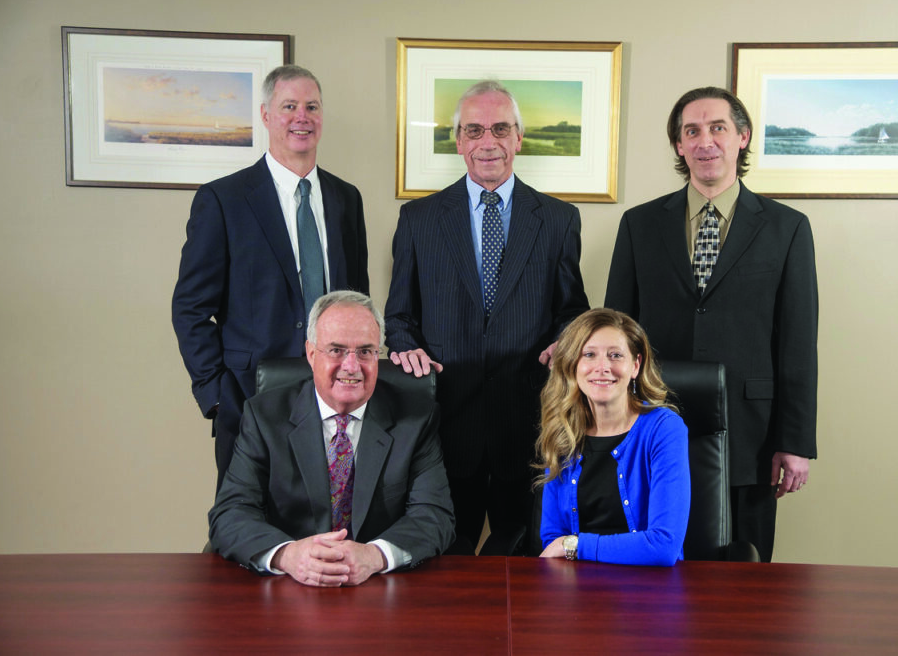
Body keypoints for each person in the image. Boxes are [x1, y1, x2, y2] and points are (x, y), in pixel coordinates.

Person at [604, 86, 818, 562]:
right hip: (652, 421)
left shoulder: (787, 228)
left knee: (746, 575)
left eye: (717, 128)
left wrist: (795, 442)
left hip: (751, 433)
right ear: (679, 146)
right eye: (691, 131)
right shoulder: (639, 225)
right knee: (653, 566)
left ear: (741, 137)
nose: (705, 141)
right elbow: (616, 334)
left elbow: (798, 344)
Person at [385, 80, 589, 552]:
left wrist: (567, 340)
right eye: (474, 130)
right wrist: (404, 344)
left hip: (530, 426)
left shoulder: (558, 219)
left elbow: (572, 311)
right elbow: (397, 317)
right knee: (442, 567)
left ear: (518, 138)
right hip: (446, 429)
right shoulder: (419, 219)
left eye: (500, 129)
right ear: (459, 141)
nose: (488, 142)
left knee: (527, 567)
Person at [172, 65, 369, 491]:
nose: (302, 117)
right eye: (289, 106)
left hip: (336, 398)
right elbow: (190, 308)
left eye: (312, 106)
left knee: (330, 524)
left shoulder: (346, 199)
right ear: (265, 115)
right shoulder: (223, 200)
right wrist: (217, 396)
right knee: (246, 530)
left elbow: (359, 304)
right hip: (248, 399)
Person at [208, 291, 455, 587]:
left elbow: (434, 515)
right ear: (312, 354)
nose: (351, 366)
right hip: (291, 588)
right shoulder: (264, 417)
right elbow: (230, 512)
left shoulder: (415, 419)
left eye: (365, 352)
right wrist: (288, 555)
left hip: (380, 590)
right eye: (336, 350)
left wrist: (374, 555)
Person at [537, 308, 690, 566]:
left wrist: (575, 545)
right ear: (574, 365)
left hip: (651, 589)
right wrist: (567, 547)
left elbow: (663, 545)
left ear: (635, 365)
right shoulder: (563, 429)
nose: (602, 367)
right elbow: (553, 538)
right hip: (576, 588)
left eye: (615, 355)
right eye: (589, 355)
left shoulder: (664, 429)